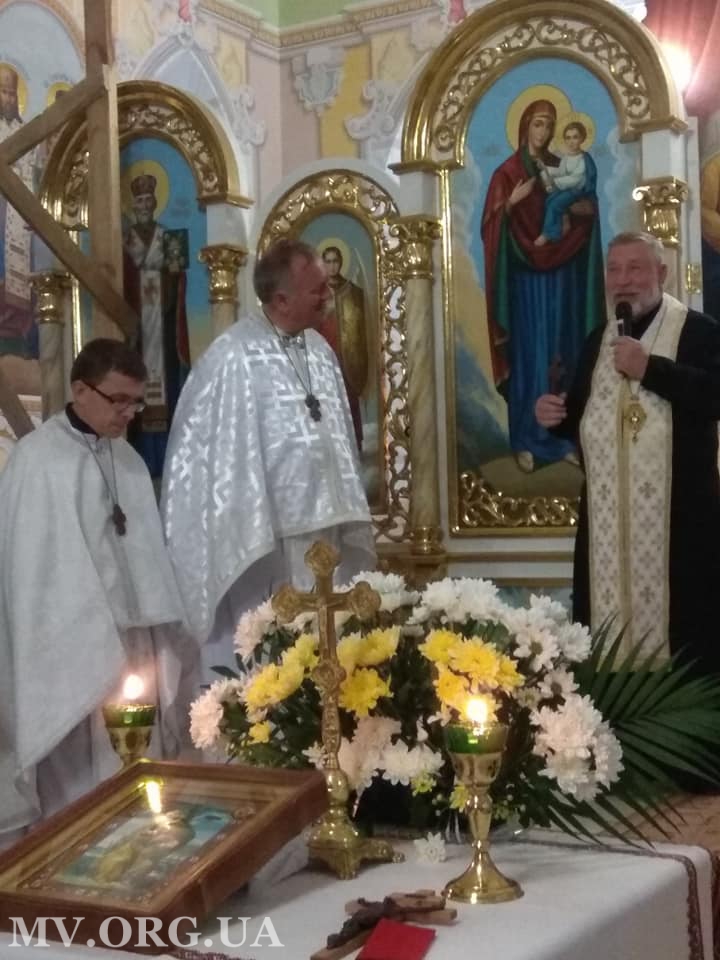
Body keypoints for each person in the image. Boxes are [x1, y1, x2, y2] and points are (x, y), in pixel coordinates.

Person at [0, 339, 199, 842]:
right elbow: (33, 575)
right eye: (118, 400)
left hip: (134, 646)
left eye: (136, 402)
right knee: (79, 792)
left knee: (136, 773)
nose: (128, 414)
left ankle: (137, 851)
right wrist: (88, 630)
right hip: (69, 651)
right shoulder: (37, 461)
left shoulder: (128, 461)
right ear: (80, 390)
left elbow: (147, 556)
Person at [161, 238, 375, 677]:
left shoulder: (319, 349)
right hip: (264, 544)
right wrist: (246, 520)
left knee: (328, 656)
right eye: (317, 289)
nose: (328, 296)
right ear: (281, 299)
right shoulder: (233, 356)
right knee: (272, 664)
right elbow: (205, 457)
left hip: (325, 533)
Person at [535, 231, 720, 675]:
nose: (623, 280)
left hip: (682, 531)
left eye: (635, 268)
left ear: (662, 273)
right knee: (604, 652)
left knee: (689, 641)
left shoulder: (699, 331)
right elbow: (588, 419)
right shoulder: (597, 340)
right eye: (614, 270)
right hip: (607, 534)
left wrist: (649, 368)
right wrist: (555, 416)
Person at [481, 98, 604, 473]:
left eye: (549, 125)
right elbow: (491, 227)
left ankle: (564, 439)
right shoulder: (507, 173)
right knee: (530, 354)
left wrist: (569, 210)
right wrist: (511, 204)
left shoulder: (562, 165)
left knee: (563, 349)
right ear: (524, 126)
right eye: (538, 123)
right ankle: (525, 439)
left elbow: (588, 209)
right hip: (524, 280)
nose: (544, 131)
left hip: (562, 276)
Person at [123, 173, 190, 479]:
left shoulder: (167, 237)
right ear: (133, 205)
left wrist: (174, 277)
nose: (144, 205)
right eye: (139, 200)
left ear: (155, 202)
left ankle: (166, 458)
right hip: (138, 328)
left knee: (165, 387)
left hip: (162, 326)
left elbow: (178, 277)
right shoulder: (125, 240)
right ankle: (140, 458)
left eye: (148, 199)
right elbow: (120, 279)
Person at [0, 64, 35, 356]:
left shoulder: (27, 132)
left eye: (12, 93)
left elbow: (33, 171)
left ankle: (15, 333)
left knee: (21, 269)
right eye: (3, 92)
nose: (9, 98)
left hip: (17, 212)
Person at [318, 245, 367, 451]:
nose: (332, 266)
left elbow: (359, 324)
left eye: (335, 261)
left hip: (347, 355)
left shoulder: (351, 291)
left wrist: (339, 307)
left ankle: (354, 444)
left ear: (341, 263)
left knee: (348, 399)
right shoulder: (317, 293)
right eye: (328, 261)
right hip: (324, 355)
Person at [535, 122, 597, 247]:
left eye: (575, 137)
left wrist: (555, 181)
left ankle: (549, 234)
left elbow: (576, 179)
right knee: (549, 200)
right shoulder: (567, 157)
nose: (571, 141)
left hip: (577, 191)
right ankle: (564, 221)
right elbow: (561, 171)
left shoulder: (583, 159)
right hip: (566, 189)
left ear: (582, 139)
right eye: (568, 138)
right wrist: (545, 169)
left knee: (555, 204)